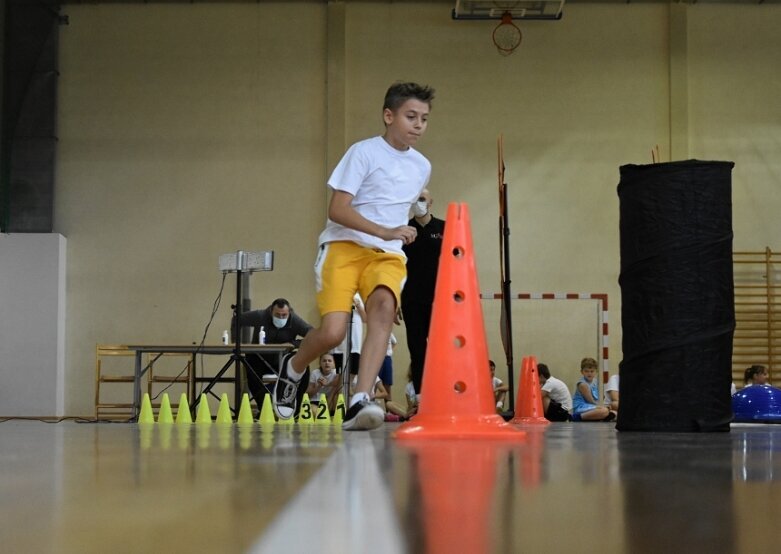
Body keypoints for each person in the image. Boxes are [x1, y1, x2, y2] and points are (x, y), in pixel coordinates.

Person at [272, 81, 435, 430]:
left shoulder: (422, 166)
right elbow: (338, 209)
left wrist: (416, 215)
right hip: (343, 248)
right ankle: (294, 368)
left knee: (383, 310)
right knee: (333, 333)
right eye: (411, 116)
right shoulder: (363, 152)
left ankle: (360, 399)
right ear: (388, 116)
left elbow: (398, 212)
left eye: (424, 118)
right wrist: (386, 230)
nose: (418, 124)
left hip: (387, 254)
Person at [401, 188, 445, 399]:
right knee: (417, 350)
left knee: (440, 349)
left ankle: (443, 393)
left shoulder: (444, 228)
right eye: (414, 199)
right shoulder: (404, 229)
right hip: (411, 300)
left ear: (430, 202)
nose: (418, 203)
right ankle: (420, 396)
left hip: (439, 301)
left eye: (422, 199)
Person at [234, 298, 313, 410]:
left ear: (289, 312)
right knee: (250, 363)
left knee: (303, 365)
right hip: (259, 359)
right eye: (277, 315)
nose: (281, 318)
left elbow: (312, 335)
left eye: (284, 315)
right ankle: (264, 407)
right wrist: (235, 342)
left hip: (283, 361)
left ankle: (296, 407)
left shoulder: (294, 320)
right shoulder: (260, 316)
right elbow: (237, 319)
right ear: (271, 311)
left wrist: (293, 343)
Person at [571, 357, 615, 422]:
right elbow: (591, 401)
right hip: (581, 407)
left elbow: (600, 397)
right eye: (586, 371)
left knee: (613, 411)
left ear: (596, 372)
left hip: (591, 406)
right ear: (582, 372)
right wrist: (602, 407)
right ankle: (577, 417)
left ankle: (598, 416)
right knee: (604, 410)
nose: (589, 373)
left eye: (592, 371)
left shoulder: (596, 382)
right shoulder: (582, 384)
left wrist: (606, 405)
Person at [331, 293, 366, 374]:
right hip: (339, 344)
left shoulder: (360, 295)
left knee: (353, 372)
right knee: (339, 374)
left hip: (354, 343)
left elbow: (365, 319)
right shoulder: (337, 292)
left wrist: (358, 305)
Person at [378, 332, 397, 402]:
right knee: (375, 383)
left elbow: (394, 342)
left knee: (387, 385)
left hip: (386, 359)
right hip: (377, 359)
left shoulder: (389, 333)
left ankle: (389, 410)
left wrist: (390, 351)